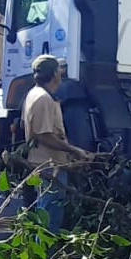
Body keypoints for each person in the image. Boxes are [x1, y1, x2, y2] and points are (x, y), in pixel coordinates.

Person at [21, 55, 91, 233]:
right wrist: (74, 150)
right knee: (50, 221)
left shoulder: (34, 94)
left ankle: (40, 257)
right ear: (54, 74)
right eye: (60, 71)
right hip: (49, 167)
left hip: (47, 164)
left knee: (44, 215)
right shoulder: (43, 99)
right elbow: (44, 136)